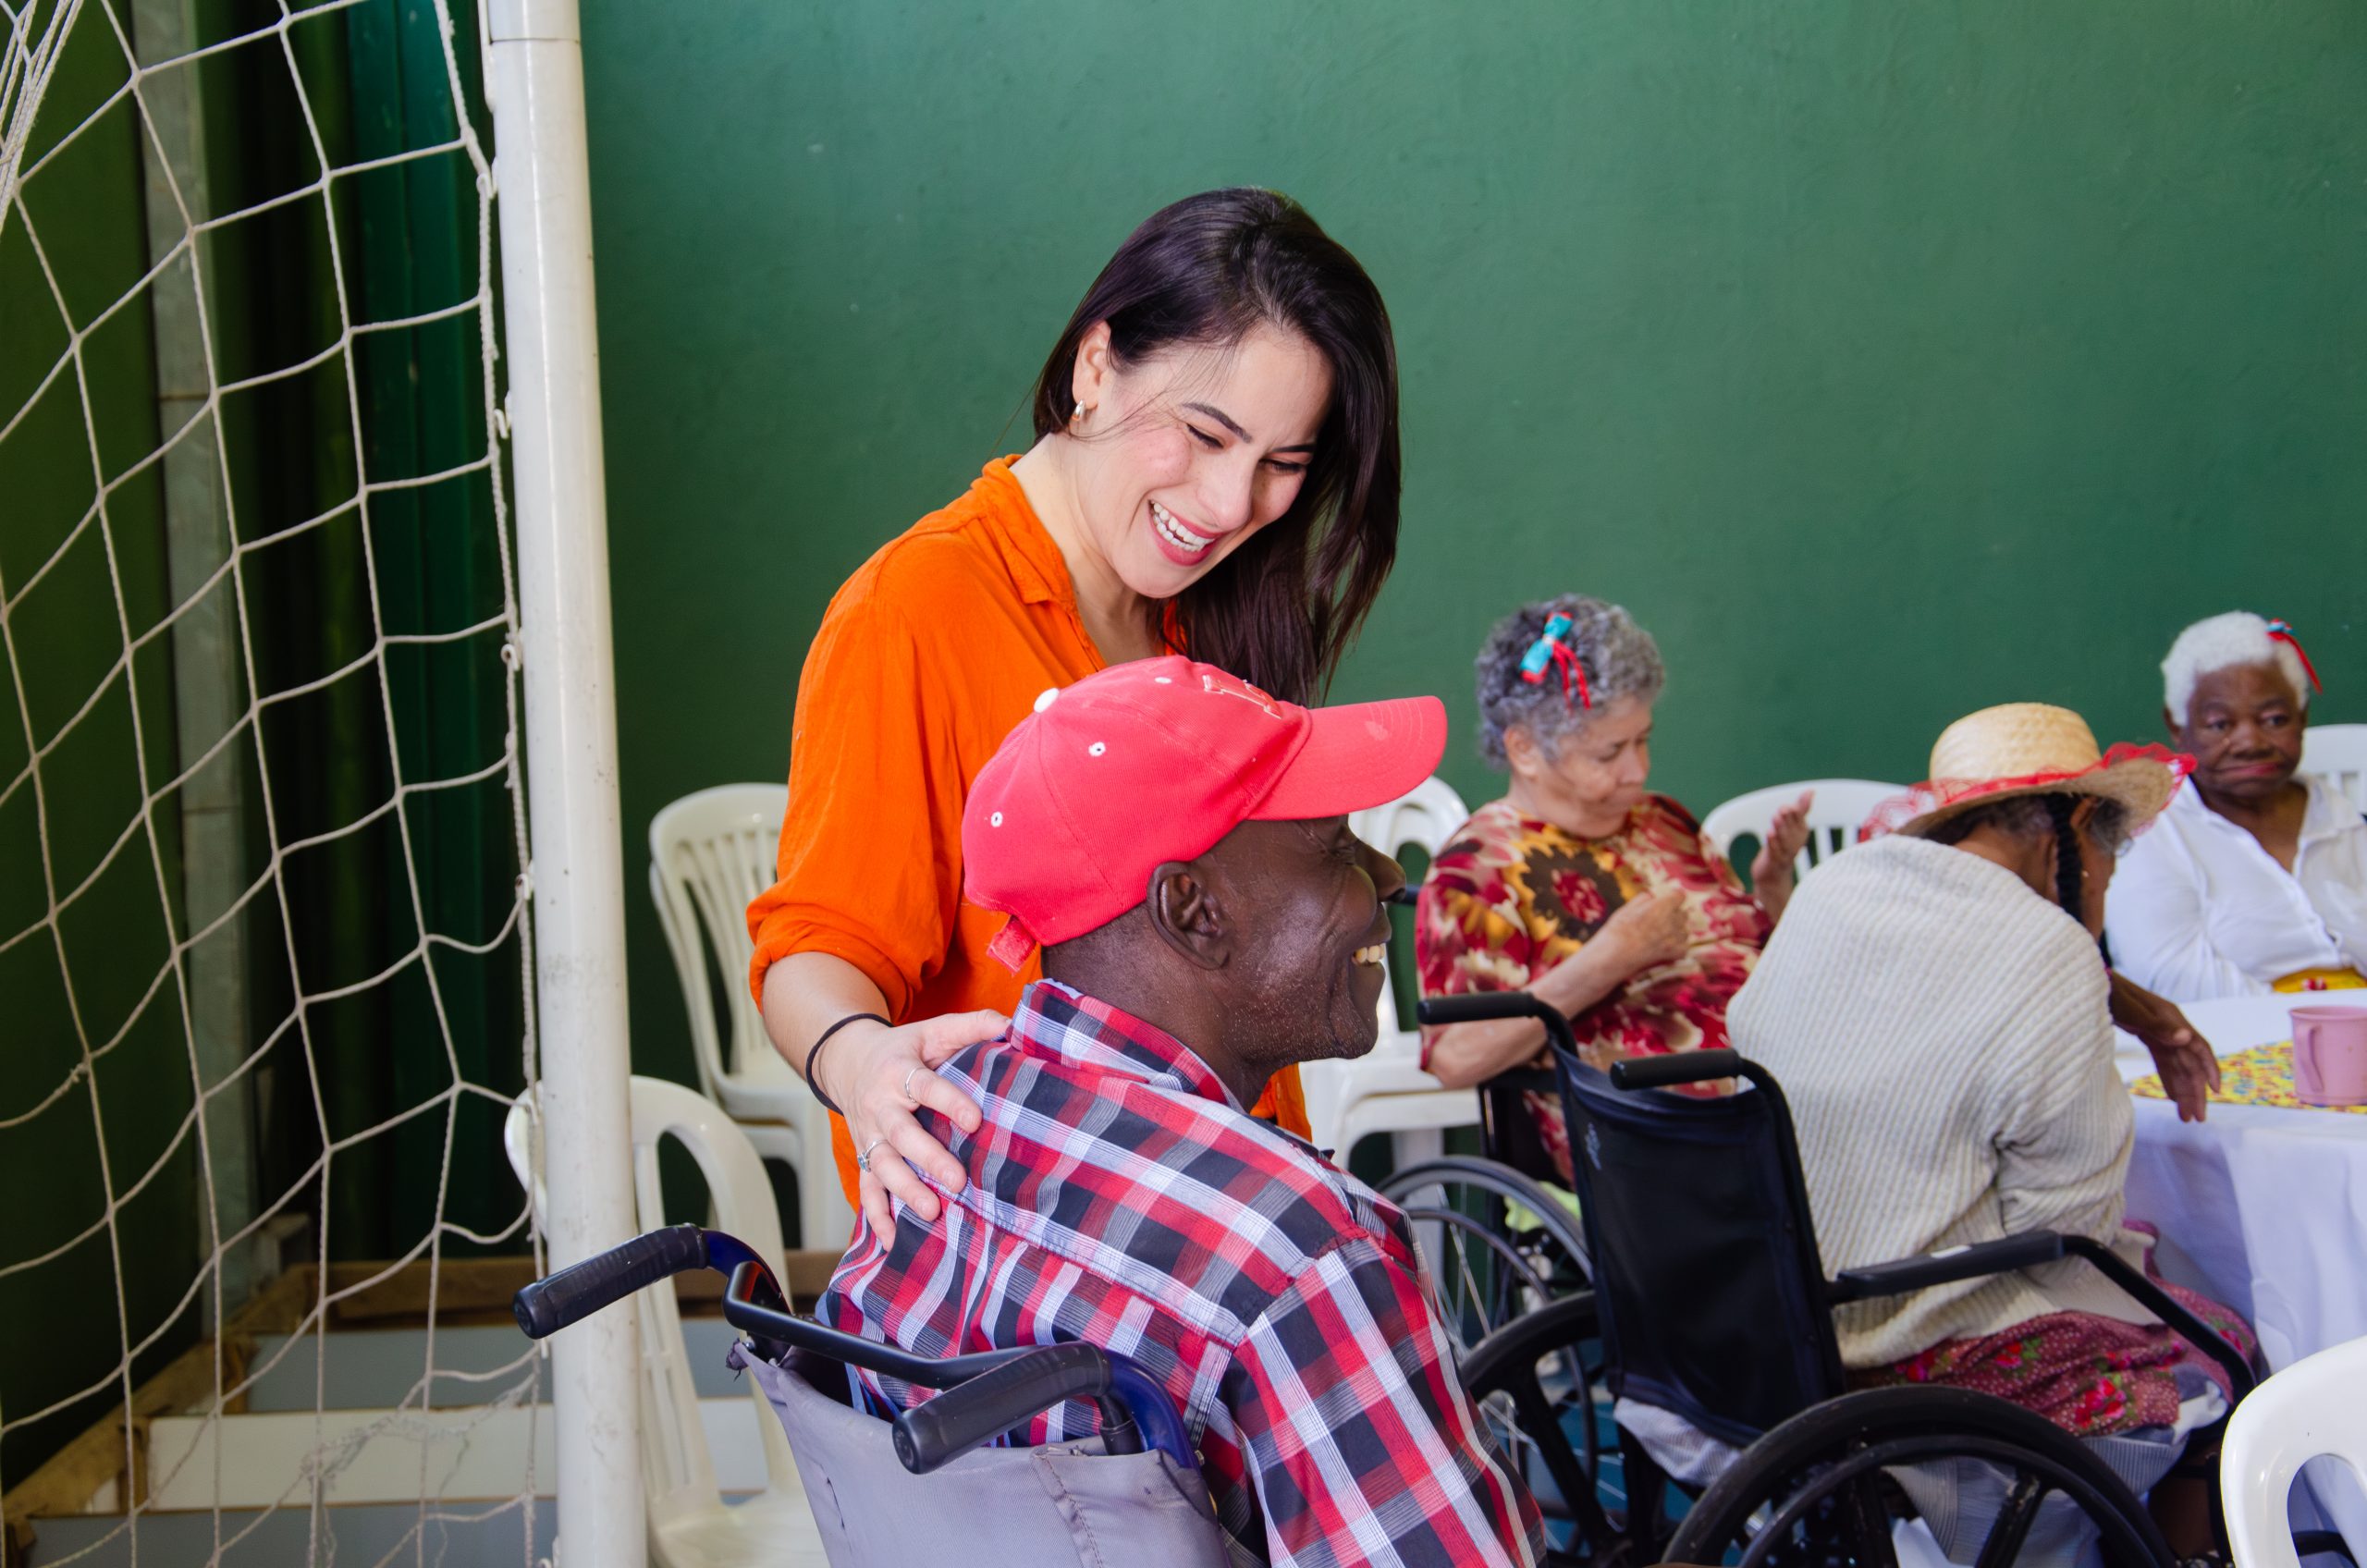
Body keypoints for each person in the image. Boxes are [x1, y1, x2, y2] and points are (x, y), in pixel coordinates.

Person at [744, 189, 1403, 1238]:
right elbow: (818, 947)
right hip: (1044, 1261)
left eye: (1283, 464)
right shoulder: (916, 608)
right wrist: (857, 1059)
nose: (1231, 504)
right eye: (1204, 434)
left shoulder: (1211, 620)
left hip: (1216, 1221)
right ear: (1096, 365)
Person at [817, 656, 1543, 1567]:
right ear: (1194, 910)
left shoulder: (932, 1126)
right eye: (1334, 845)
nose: (1390, 874)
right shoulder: (1303, 1252)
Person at [1729, 704, 2253, 1548]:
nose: (2107, 883)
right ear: (2075, 827)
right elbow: (2067, 1228)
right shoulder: (2047, 951)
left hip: (1781, 1319)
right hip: (1917, 1338)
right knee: (2223, 1341)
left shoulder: (1835, 886)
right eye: (2110, 855)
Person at [1414, 595, 1813, 1182]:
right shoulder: (1479, 867)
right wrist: (1609, 960)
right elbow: (1454, 1058)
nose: (1638, 770)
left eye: (1642, 740)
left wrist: (1773, 884)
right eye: (1609, 753)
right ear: (1524, 749)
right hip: (1656, 1139)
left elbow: (1763, 966)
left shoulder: (1665, 822)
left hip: (1782, 1092)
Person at [2106, 611, 2366, 999]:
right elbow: (2173, 976)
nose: (2250, 742)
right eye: (2220, 724)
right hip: (2234, 1032)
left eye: (2275, 719)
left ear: (2302, 718)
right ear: (2177, 727)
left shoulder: (2340, 816)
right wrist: (2311, 1020)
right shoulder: (2150, 834)